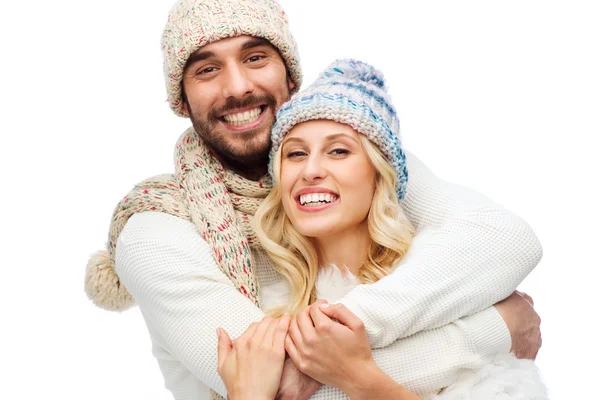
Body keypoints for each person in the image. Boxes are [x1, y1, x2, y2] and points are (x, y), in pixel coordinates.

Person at [84, 0, 543, 399]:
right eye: (207, 69)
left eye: (256, 57)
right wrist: (497, 327)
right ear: (182, 99)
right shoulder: (154, 227)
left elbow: (506, 239)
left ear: (290, 74)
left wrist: (343, 333)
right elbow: (282, 385)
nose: (238, 86)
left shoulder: (356, 157)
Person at [224, 59, 543, 399]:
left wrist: (356, 374)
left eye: (338, 151)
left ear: (379, 175)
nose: (311, 170)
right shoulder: (260, 311)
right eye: (296, 154)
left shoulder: (444, 289)